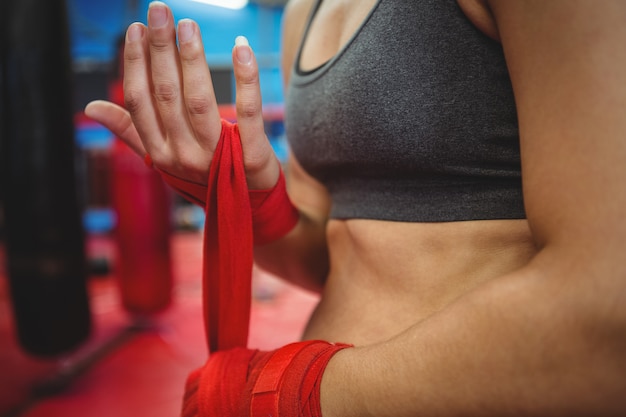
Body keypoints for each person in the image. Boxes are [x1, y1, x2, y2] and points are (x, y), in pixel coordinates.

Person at [85, 0, 626, 415]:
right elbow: (329, 258)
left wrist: (289, 393)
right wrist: (249, 198)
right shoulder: (305, 11)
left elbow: (607, 306)